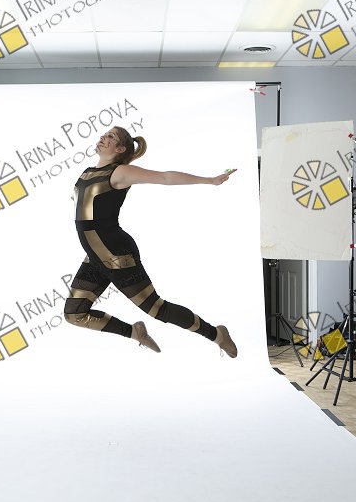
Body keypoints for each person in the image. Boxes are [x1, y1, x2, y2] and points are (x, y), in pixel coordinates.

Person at [63, 126, 237, 357]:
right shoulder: (87, 173)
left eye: (111, 136)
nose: (104, 137)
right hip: (96, 255)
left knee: (156, 308)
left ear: (120, 149)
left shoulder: (120, 172)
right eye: (105, 134)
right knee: (74, 313)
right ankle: (135, 333)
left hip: (116, 254)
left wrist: (210, 180)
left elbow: (165, 177)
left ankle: (217, 334)